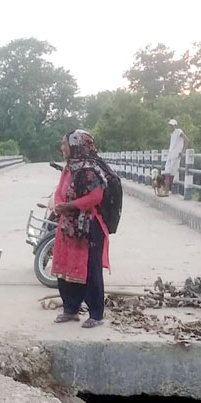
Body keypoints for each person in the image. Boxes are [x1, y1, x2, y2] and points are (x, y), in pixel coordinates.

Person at [50, 130, 111, 328]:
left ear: (76, 146)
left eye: (65, 144)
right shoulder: (70, 167)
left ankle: (96, 314)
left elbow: (95, 197)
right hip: (68, 226)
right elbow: (59, 191)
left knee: (90, 270)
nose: (62, 148)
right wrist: (59, 204)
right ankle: (70, 309)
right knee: (66, 266)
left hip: (88, 227)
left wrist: (69, 206)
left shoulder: (89, 169)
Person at [159, 119, 189, 197]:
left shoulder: (178, 131)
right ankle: (167, 190)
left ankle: (166, 191)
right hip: (170, 154)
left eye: (172, 126)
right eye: (169, 126)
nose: (170, 127)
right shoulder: (171, 134)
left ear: (175, 126)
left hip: (176, 155)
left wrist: (183, 151)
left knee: (169, 173)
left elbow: (187, 140)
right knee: (168, 173)